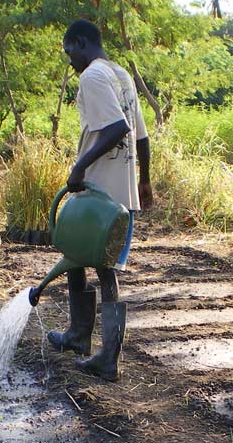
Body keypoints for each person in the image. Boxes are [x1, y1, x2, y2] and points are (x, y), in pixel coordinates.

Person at [47, 19, 153, 382]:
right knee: (78, 260)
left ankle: (107, 357)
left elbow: (119, 128)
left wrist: (78, 167)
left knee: (103, 269)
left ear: (79, 43)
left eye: (69, 51)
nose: (69, 60)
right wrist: (145, 181)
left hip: (100, 194)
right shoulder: (120, 74)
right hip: (120, 193)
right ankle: (79, 337)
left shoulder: (92, 77)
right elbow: (142, 135)